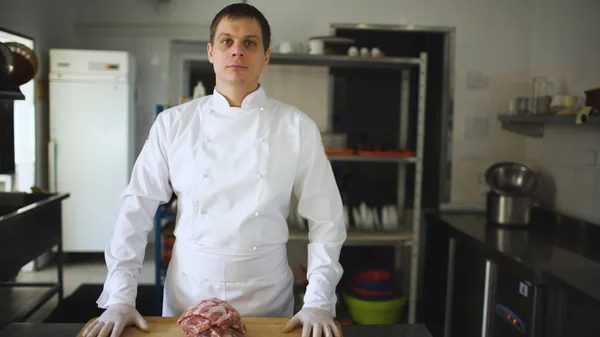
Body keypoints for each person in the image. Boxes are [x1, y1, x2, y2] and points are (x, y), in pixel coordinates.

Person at [82, 3, 347, 337]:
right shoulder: (174, 124)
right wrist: (120, 296)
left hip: (265, 296)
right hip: (188, 293)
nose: (237, 51)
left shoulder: (296, 127)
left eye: (250, 43)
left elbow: (327, 219)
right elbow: (135, 209)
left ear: (266, 55)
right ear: (211, 52)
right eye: (226, 41)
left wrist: (319, 300)